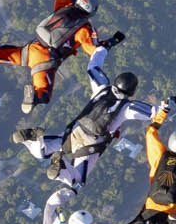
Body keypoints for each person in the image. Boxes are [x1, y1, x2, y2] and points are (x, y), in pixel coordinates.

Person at [0, 0, 124, 113]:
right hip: (45, 61)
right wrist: (112, 42)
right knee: (43, 95)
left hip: (32, 48)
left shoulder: (65, 7)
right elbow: (94, 50)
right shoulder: (85, 29)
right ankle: (33, 98)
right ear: (92, 12)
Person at [15, 66, 156, 188]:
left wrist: (104, 47)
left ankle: (35, 140)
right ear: (132, 91)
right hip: (91, 144)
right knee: (76, 181)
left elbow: (92, 68)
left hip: (74, 132)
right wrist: (168, 105)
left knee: (42, 152)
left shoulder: (102, 89)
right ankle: (60, 170)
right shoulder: (126, 107)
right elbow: (153, 112)